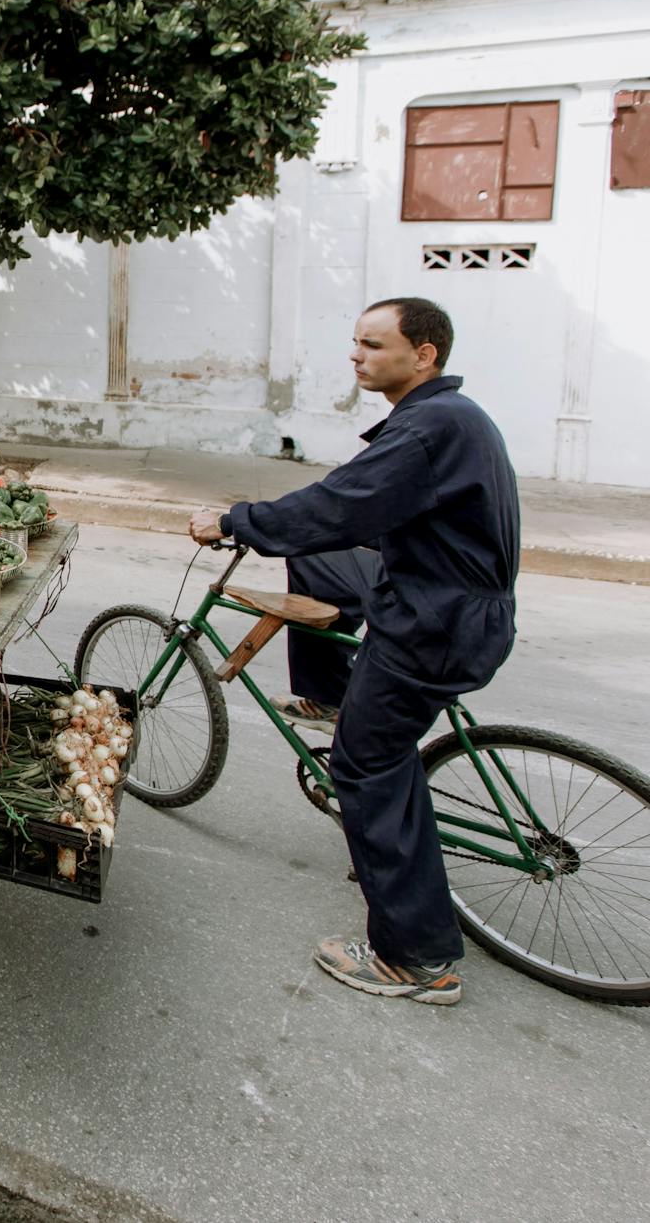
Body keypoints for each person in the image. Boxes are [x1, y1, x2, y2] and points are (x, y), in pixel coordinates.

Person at [189, 297, 519, 1007]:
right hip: (443, 592)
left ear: (423, 355)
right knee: (318, 560)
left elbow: (340, 503)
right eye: (355, 342)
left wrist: (232, 521)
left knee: (366, 763)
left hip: (435, 621)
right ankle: (331, 691)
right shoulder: (443, 417)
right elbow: (351, 518)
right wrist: (292, 530)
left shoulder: (429, 428)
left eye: (372, 344)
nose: (356, 355)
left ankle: (413, 957)